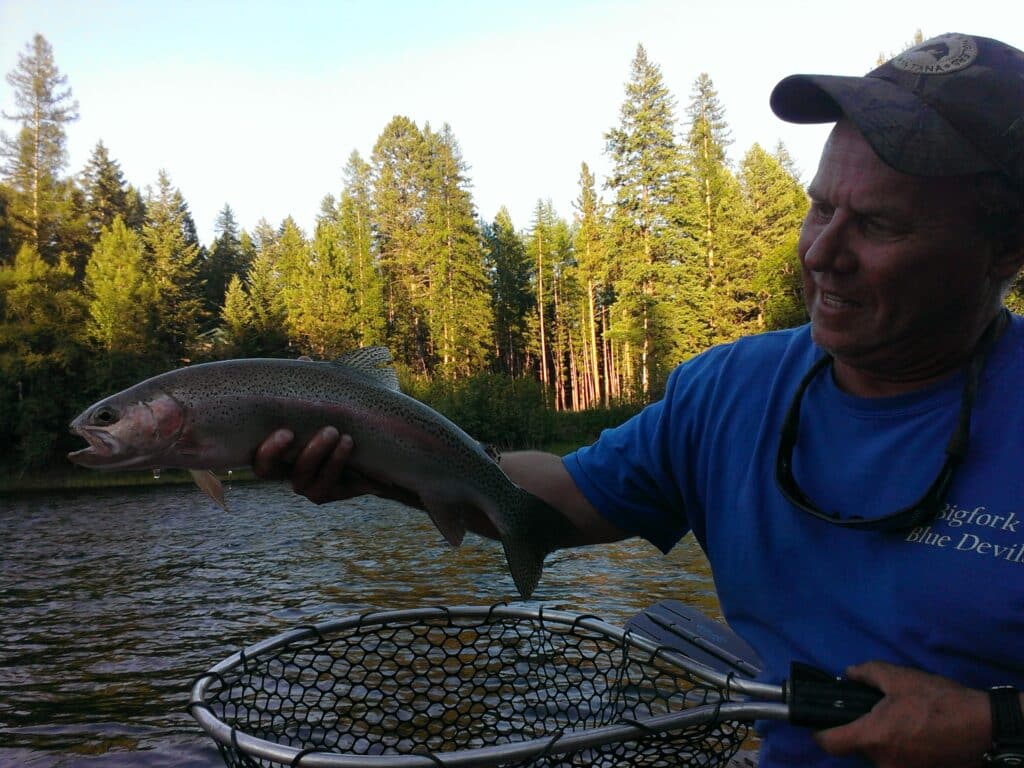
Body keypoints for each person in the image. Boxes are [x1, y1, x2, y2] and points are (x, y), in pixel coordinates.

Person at [254, 32, 1024, 768]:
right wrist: (387, 461)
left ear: (1007, 248)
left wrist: (996, 727)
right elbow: (557, 502)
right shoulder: (728, 392)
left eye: (880, 225)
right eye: (820, 208)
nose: (822, 254)